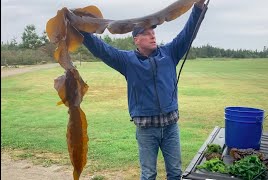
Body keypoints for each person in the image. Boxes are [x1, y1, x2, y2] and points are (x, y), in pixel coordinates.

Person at [80, 1, 205, 179]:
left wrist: (199, 7)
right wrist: (81, 29)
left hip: (171, 127)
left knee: (176, 173)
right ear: (136, 40)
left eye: (153, 32)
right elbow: (102, 50)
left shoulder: (170, 53)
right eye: (146, 34)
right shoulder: (127, 61)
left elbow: (188, 33)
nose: (152, 36)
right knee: (148, 174)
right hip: (146, 130)